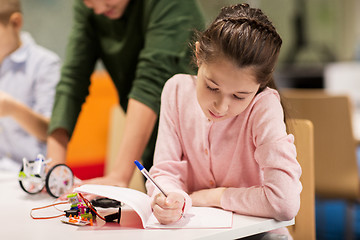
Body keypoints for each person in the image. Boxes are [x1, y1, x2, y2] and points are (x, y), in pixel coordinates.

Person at [146, 3, 302, 239]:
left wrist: (214, 197)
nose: (221, 106)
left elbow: (284, 202)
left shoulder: (264, 106)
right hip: (197, 231)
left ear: (259, 84)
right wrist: (169, 197)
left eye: (240, 96)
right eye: (212, 87)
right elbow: (165, 170)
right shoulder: (176, 91)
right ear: (198, 54)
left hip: (260, 235)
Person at [47, 0, 204, 187]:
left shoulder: (168, 5)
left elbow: (152, 79)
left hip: (197, 140)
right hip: (153, 143)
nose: (96, 8)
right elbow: (73, 79)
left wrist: (119, 175)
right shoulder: (91, 7)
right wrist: (54, 171)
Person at [0, 0, 60, 172]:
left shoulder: (45, 64)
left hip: (32, 175)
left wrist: (13, 108)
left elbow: (51, 131)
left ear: (15, 22)